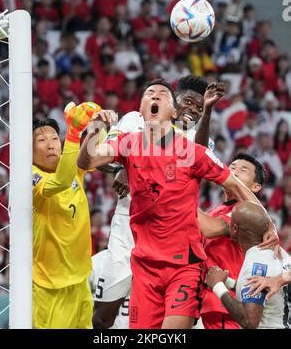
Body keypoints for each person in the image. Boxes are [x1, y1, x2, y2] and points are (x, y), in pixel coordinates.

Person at [78, 78, 267, 329]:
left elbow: (199, 160)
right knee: (104, 315)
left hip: (179, 248)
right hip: (131, 231)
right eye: (189, 101)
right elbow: (93, 160)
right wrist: (119, 162)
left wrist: (267, 224)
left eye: (199, 108)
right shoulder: (133, 122)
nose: (193, 110)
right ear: (175, 100)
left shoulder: (197, 141)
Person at [32, 101, 112, 329]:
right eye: (41, 140)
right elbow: (61, 180)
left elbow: (94, 150)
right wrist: (74, 133)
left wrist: (98, 122)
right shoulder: (30, 177)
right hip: (50, 286)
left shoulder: (72, 164)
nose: (50, 145)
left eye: (55, 138)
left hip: (80, 279)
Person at [200, 153, 278, 329]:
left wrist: (179, 193)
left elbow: (210, 229)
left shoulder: (244, 213)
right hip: (209, 296)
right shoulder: (218, 209)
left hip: (229, 302)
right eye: (232, 167)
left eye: (243, 170)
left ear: (256, 186)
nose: (233, 171)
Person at [206, 201, 290, 329]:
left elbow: (250, 321)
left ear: (234, 229)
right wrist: (227, 283)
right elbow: (260, 292)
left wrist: (218, 286)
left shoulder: (254, 264)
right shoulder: (280, 253)